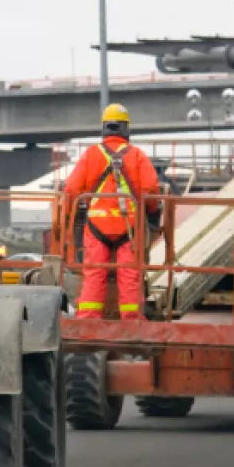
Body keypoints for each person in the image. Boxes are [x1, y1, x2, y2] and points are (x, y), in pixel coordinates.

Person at [63, 103, 161, 319]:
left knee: (94, 273)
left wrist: (67, 215)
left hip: (97, 227)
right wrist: (152, 212)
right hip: (130, 227)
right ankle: (132, 323)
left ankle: (88, 321)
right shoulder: (137, 156)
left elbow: (71, 188)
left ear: (104, 128)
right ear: (126, 129)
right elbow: (151, 189)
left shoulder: (91, 155)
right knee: (129, 275)